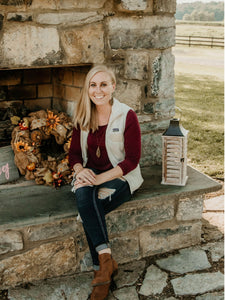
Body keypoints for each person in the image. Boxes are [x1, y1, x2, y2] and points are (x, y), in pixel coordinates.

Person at [69, 65, 143, 300]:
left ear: (113, 87)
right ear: (87, 88)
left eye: (103, 84)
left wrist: (99, 178)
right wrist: (80, 170)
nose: (97, 90)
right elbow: (74, 156)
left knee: (89, 210)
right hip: (89, 174)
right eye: (93, 85)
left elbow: (132, 160)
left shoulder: (126, 115)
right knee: (84, 195)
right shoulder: (82, 115)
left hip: (120, 177)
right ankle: (105, 264)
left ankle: (101, 273)